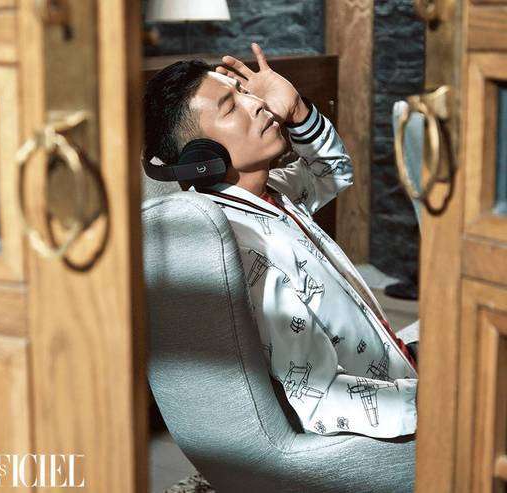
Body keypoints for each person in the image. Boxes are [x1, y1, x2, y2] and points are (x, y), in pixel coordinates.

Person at [142, 42, 418, 438]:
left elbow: (332, 171)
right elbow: (319, 397)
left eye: (244, 92)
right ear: (201, 157)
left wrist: (298, 110)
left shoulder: (269, 192)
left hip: (396, 365)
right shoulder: (243, 250)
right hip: (397, 408)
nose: (256, 104)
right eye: (231, 107)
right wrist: (436, 401)